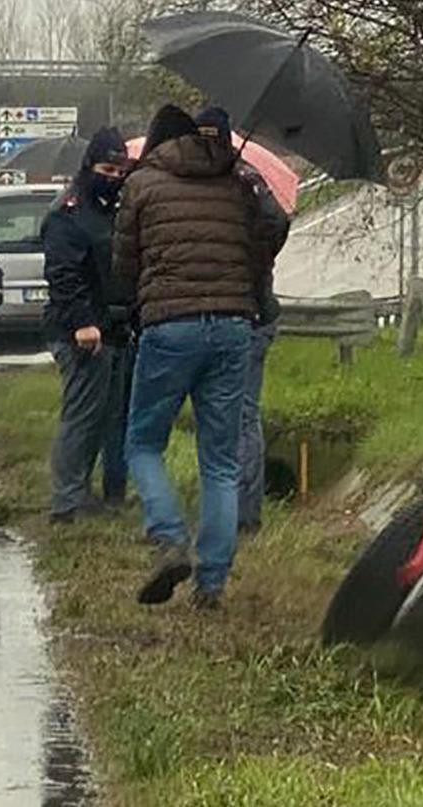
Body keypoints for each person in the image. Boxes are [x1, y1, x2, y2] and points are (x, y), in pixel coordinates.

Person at [115, 105, 268, 610]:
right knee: (221, 462)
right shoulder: (237, 183)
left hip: (170, 325)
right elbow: (264, 242)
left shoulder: (143, 183)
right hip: (232, 326)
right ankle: (212, 584)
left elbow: (124, 262)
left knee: (142, 442)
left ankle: (168, 537)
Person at [193, 107, 291, 536]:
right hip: (255, 312)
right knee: (243, 416)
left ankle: (227, 511)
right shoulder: (251, 181)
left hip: (229, 314)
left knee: (221, 414)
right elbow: (277, 226)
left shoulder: (201, 181)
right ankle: (242, 513)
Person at [41, 127, 134, 524]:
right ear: (89, 165)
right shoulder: (69, 212)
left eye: (119, 169)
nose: (113, 175)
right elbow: (63, 274)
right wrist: (82, 322)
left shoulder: (110, 209)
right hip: (81, 331)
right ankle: (66, 502)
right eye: (106, 167)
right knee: (82, 416)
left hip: (115, 329)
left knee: (110, 417)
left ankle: (92, 494)